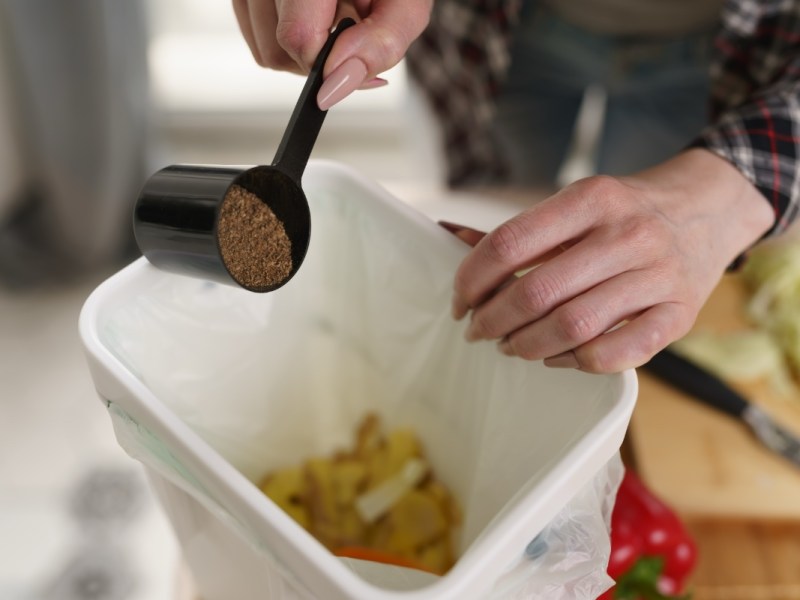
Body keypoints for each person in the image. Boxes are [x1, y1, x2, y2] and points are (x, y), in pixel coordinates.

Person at [230, 0, 798, 373]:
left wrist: (726, 192)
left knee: (621, 282)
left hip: (743, 49)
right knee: (490, 218)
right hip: (486, 27)